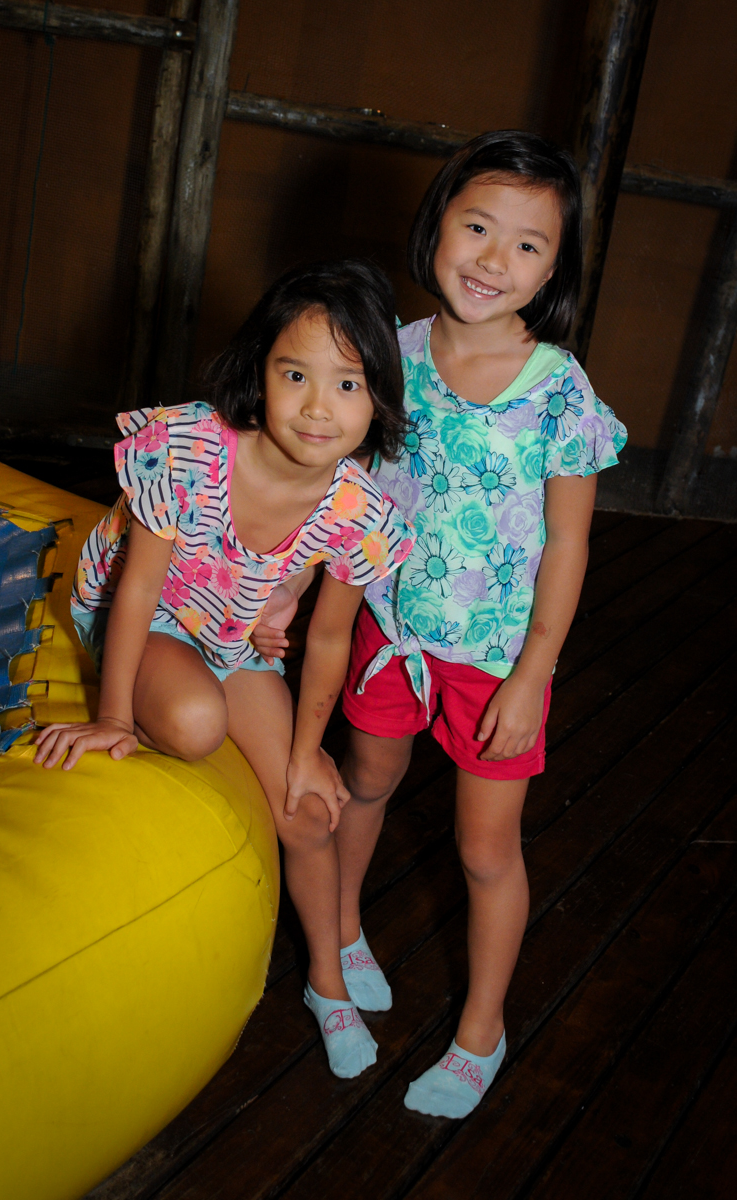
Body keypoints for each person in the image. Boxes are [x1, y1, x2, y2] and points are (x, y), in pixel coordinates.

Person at [251, 132, 627, 1116]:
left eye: (526, 245)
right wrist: (288, 593)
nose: (492, 259)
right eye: (474, 227)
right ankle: (335, 939)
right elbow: (344, 492)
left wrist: (530, 675)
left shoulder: (559, 393)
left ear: (555, 267)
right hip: (386, 627)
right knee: (364, 781)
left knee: (482, 848)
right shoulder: (388, 359)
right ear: (436, 226)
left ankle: (480, 1030)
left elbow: (566, 547)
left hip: (496, 658)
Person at [33, 260, 415, 1080]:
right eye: (295, 375)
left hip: (231, 633)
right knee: (198, 722)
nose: (318, 406)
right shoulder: (191, 448)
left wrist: (310, 747)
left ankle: (324, 979)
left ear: (379, 399)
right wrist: (112, 716)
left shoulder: (360, 515)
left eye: (348, 384)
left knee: (305, 804)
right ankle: (156, 699)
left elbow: (328, 643)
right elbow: (136, 590)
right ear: (258, 374)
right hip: (149, 614)